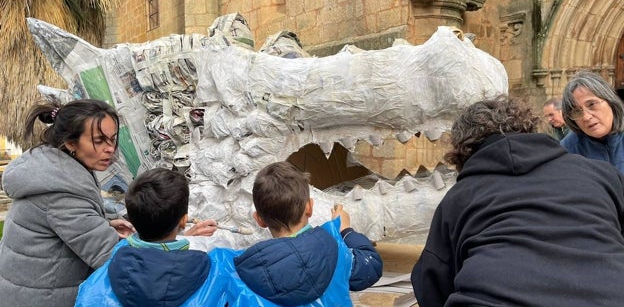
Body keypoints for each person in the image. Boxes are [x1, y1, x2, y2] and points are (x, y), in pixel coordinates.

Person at [411, 95, 624, 307]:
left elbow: (430, 284)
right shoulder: (601, 174)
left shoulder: (458, 198)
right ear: (528, 127)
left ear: (463, 149)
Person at [0, 99, 215, 307]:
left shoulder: (55, 168)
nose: (110, 148)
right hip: (43, 298)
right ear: (70, 143)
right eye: (99, 140)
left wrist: (104, 223)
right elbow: (119, 261)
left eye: (112, 139)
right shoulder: (61, 192)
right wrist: (175, 237)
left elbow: (70, 227)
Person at [225, 161, 383, 306]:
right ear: (309, 208)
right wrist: (345, 231)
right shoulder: (335, 251)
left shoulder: (245, 269)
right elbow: (371, 266)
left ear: (259, 219)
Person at [75, 167, 226, 306]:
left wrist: (184, 236)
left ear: (132, 220)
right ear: (184, 221)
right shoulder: (213, 273)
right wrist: (188, 240)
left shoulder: (101, 277)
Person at [560, 70, 624, 173]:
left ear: (610, 102)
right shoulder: (567, 151)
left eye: (592, 104)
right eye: (576, 111)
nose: (586, 117)